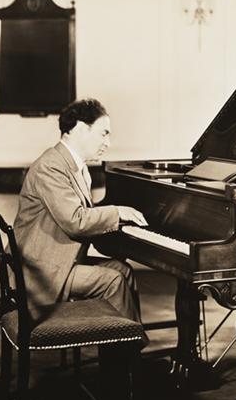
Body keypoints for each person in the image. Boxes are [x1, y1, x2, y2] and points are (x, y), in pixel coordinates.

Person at [12, 98, 147, 321]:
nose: (108, 143)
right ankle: (124, 343)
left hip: (58, 261)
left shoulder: (74, 166)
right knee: (113, 281)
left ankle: (128, 340)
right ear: (82, 128)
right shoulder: (51, 166)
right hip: (38, 270)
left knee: (124, 271)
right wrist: (117, 212)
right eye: (104, 134)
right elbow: (75, 221)